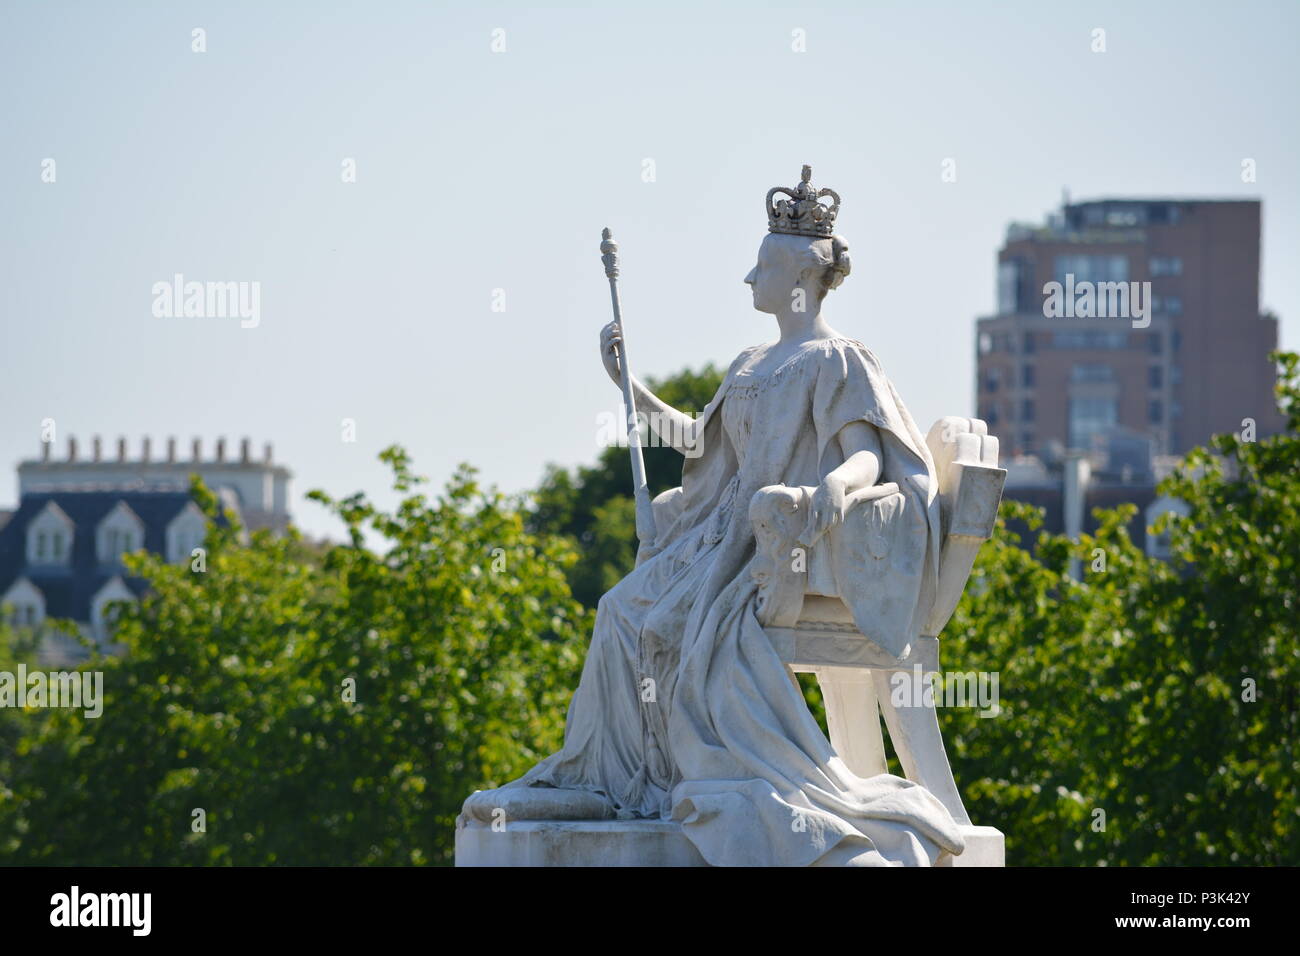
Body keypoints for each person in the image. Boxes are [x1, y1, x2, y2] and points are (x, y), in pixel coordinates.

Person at [461, 167, 964, 866]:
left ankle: (663, 775)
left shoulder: (840, 360)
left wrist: (831, 496)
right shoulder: (752, 362)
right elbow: (699, 444)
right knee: (617, 610)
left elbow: (868, 458)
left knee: (676, 628)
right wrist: (629, 387)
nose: (747, 278)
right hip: (715, 535)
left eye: (759, 265)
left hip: (770, 540)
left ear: (794, 275)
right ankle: (606, 779)